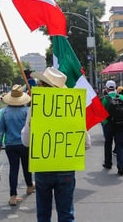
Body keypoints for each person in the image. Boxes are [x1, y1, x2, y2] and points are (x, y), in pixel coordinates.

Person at [21, 67, 77, 222]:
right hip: (66, 168)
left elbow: (25, 142)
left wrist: (32, 127)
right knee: (66, 215)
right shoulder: (71, 108)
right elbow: (86, 144)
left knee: (43, 216)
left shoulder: (35, 109)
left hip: (43, 168)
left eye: (40, 83)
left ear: (43, 87)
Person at [0, 84, 33, 206]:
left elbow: (0, 129)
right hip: (24, 144)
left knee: (13, 169)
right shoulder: (26, 111)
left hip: (10, 145)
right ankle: (29, 186)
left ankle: (13, 195)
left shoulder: (5, 112)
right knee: (27, 166)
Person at [102, 80, 123, 176]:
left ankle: (108, 163)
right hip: (121, 125)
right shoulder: (122, 97)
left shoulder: (105, 99)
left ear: (106, 88)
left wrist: (105, 123)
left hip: (109, 125)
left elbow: (102, 113)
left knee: (108, 144)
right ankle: (121, 167)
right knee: (120, 146)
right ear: (115, 87)